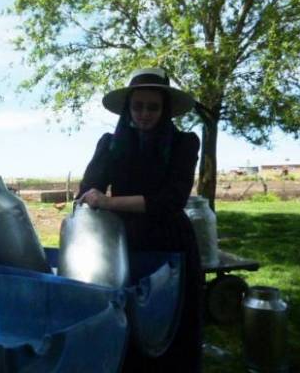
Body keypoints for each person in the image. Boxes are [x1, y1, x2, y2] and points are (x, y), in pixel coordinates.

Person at [78, 67, 202, 372]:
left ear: (166, 109)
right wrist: (90, 197)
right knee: (129, 318)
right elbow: (86, 189)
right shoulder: (110, 143)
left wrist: (108, 202)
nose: (144, 113)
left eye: (153, 107)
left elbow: (170, 201)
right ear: (127, 108)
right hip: (125, 242)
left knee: (170, 323)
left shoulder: (184, 143)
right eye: (138, 106)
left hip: (170, 241)